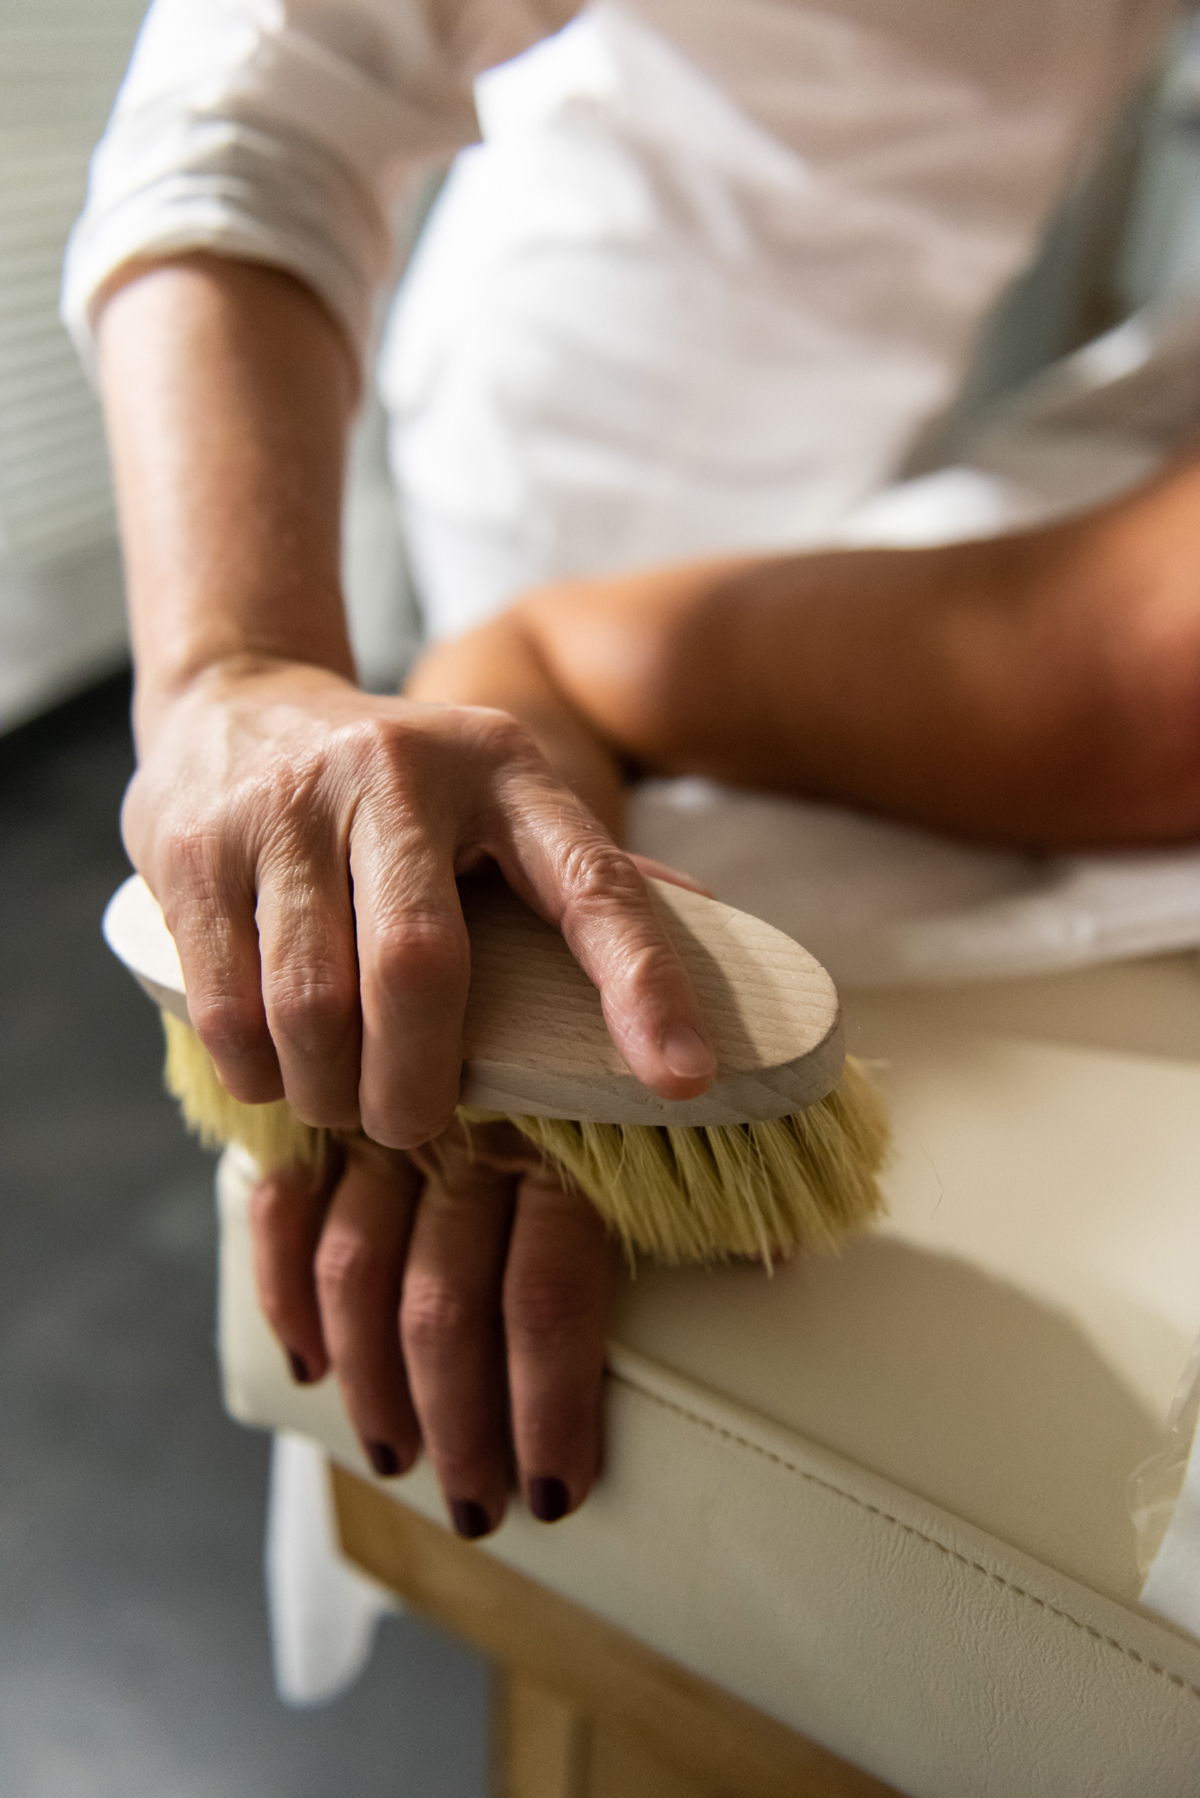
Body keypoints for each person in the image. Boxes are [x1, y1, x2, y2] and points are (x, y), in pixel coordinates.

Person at [64, 0, 1198, 1539]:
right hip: (579, 412)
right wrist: (234, 666)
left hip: (881, 433)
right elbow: (261, 91)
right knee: (441, 800)